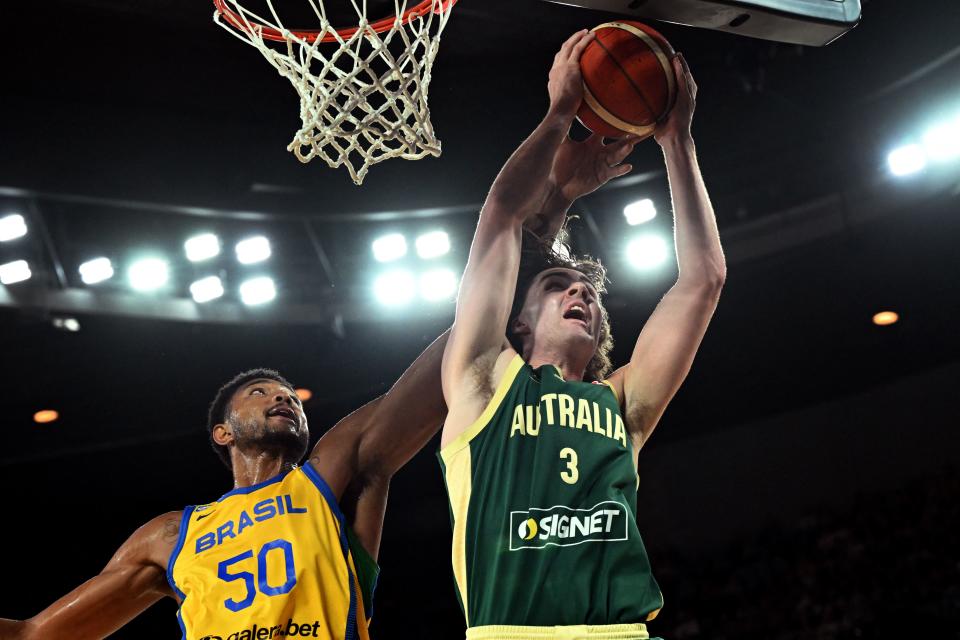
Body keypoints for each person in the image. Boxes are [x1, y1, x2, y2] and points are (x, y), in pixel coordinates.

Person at [439, 29, 725, 640]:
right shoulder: (483, 381)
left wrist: (677, 142)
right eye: (557, 285)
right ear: (519, 319)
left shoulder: (622, 404)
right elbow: (500, 218)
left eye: (589, 291)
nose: (581, 293)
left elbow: (703, 281)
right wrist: (560, 112)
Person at [0, 333, 449, 640]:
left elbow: (433, 380)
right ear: (223, 433)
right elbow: (35, 633)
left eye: (291, 396)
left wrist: (505, 269)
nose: (283, 398)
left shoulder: (330, 478)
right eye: (260, 392)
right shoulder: (173, 535)